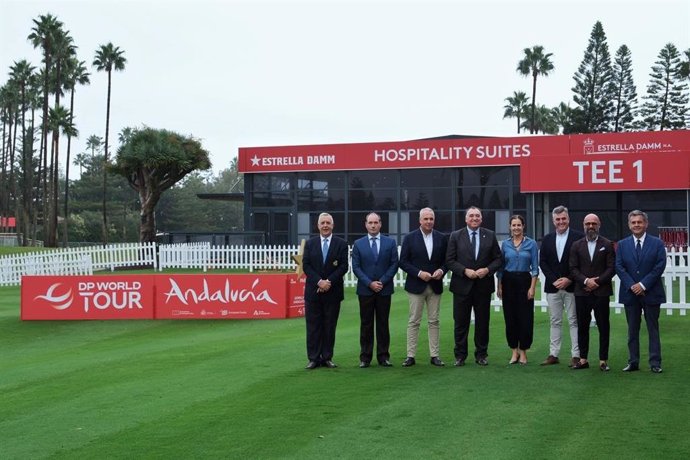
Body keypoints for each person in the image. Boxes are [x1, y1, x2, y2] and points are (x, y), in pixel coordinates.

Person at [446, 206, 502, 366]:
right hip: (461, 286)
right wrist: (464, 271)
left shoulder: (490, 235)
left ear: (481, 218)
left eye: (477, 216)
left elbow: (498, 259)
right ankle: (460, 356)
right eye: (471, 216)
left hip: (483, 286)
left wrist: (487, 269)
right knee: (461, 323)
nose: (474, 218)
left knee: (483, 322)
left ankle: (481, 355)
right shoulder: (456, 236)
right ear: (466, 219)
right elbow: (449, 260)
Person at [615, 210, 667, 374]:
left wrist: (643, 285)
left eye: (639, 222)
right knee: (632, 330)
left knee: (653, 328)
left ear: (646, 224)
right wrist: (632, 285)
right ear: (629, 225)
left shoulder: (657, 243)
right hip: (630, 294)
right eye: (633, 222)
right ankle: (633, 362)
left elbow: (659, 266)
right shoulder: (622, 245)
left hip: (651, 292)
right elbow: (619, 266)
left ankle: (655, 362)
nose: (637, 225)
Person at [399, 207, 448, 367]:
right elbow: (403, 262)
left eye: (431, 219)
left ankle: (435, 355)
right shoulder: (410, 238)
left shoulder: (441, 238)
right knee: (414, 321)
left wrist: (441, 270)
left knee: (434, 321)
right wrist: (419, 273)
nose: (428, 222)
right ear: (420, 220)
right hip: (416, 285)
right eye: (425, 219)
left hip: (435, 285)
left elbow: (447, 260)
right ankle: (410, 356)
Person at [351, 212, 399, 368]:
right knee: (366, 324)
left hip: (384, 290)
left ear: (380, 224)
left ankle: (383, 356)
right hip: (365, 291)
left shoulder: (390, 243)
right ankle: (365, 358)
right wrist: (370, 283)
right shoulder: (358, 244)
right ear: (365, 224)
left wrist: (382, 282)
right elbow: (356, 267)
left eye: (376, 222)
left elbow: (394, 265)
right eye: (370, 222)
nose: (373, 225)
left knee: (383, 324)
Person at [302, 212, 349, 370]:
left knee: (329, 326)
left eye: (328, 223)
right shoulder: (310, 244)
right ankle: (314, 358)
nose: (325, 225)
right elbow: (306, 265)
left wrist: (329, 281)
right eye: (322, 223)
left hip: (333, 292)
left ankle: (327, 357)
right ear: (318, 225)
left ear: (333, 225)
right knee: (313, 326)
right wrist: (319, 282)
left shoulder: (341, 244)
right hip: (313, 293)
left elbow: (344, 266)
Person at [538, 205, 584, 367]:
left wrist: (569, 279)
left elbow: (581, 262)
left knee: (573, 320)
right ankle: (553, 354)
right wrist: (554, 280)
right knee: (555, 320)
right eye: (557, 219)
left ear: (568, 219)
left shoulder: (578, 237)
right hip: (553, 287)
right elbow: (542, 262)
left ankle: (576, 355)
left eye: (563, 219)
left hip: (572, 286)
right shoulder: (547, 238)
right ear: (553, 221)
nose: (561, 222)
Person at [569, 213, 615, 371]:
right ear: (583, 225)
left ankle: (603, 360)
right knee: (582, 326)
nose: (590, 226)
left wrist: (597, 281)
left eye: (593, 224)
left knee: (603, 326)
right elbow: (573, 268)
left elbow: (611, 268)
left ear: (599, 225)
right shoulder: (576, 245)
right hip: (582, 292)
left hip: (601, 292)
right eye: (588, 223)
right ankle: (583, 359)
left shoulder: (607, 244)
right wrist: (585, 281)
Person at [496, 215, 538, 365]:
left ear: (523, 226)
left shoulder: (531, 244)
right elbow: (500, 268)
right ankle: (514, 351)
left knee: (525, 318)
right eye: (513, 225)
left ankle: (524, 352)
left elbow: (535, 268)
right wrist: (499, 285)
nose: (516, 228)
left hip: (525, 282)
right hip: (508, 282)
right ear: (510, 227)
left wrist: (532, 288)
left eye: (519, 225)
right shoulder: (505, 245)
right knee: (510, 318)